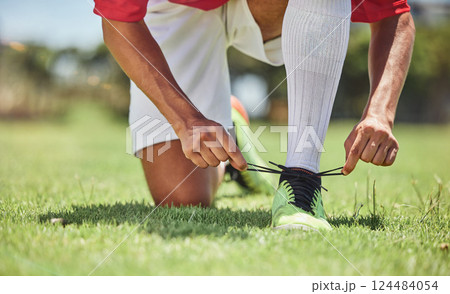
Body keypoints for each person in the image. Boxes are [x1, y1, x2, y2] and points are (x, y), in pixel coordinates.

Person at [93, 0, 415, 230]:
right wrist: (186, 119)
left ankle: (301, 184)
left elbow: (393, 14)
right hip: (177, 7)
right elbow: (118, 20)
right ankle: (232, 129)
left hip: (267, 7)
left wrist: (379, 113)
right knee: (183, 197)